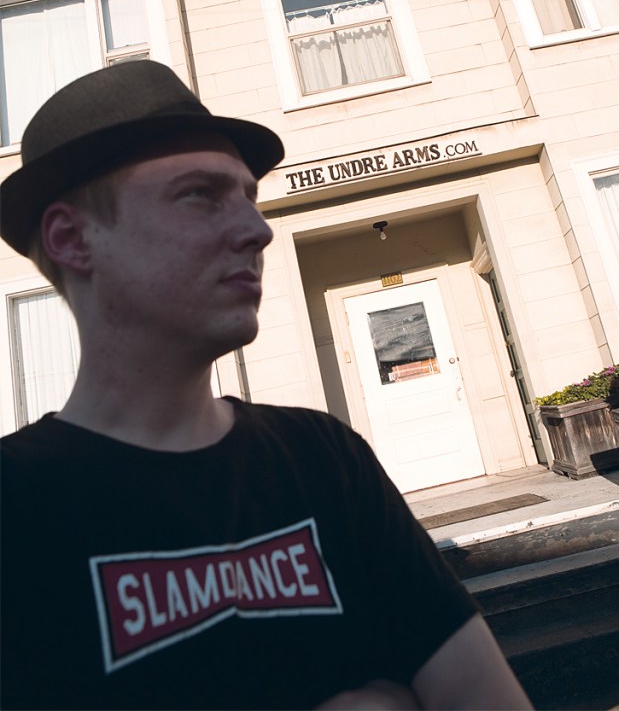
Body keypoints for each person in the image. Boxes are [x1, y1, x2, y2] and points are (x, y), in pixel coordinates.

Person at [0, 60, 532, 711]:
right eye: (200, 194)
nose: (258, 231)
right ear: (72, 238)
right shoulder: (17, 507)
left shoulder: (323, 458)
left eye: (248, 197)